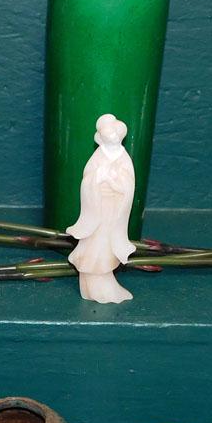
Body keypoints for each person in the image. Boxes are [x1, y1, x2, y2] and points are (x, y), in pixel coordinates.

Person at [66, 114, 136, 303]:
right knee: (93, 246)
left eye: (114, 132)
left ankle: (104, 285)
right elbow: (87, 179)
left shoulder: (124, 158)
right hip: (97, 209)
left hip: (112, 210)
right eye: (107, 133)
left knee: (106, 246)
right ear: (100, 137)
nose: (112, 136)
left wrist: (115, 183)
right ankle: (90, 287)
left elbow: (129, 184)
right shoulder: (98, 156)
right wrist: (98, 180)